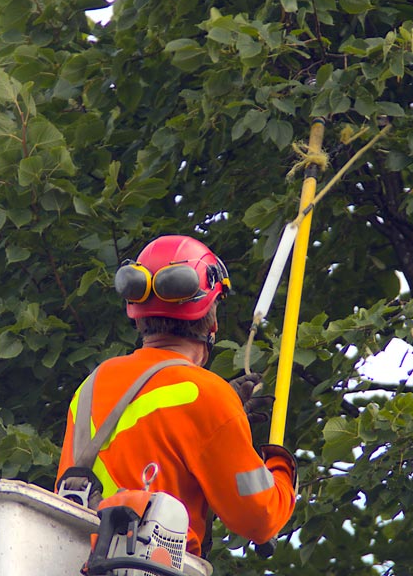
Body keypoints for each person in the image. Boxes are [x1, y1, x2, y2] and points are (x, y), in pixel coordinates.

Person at [56, 234, 296, 557]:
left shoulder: (91, 386)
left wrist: (222, 411)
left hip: (74, 575)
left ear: (138, 313)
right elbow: (260, 517)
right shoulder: (207, 397)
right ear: (211, 321)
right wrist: (281, 469)